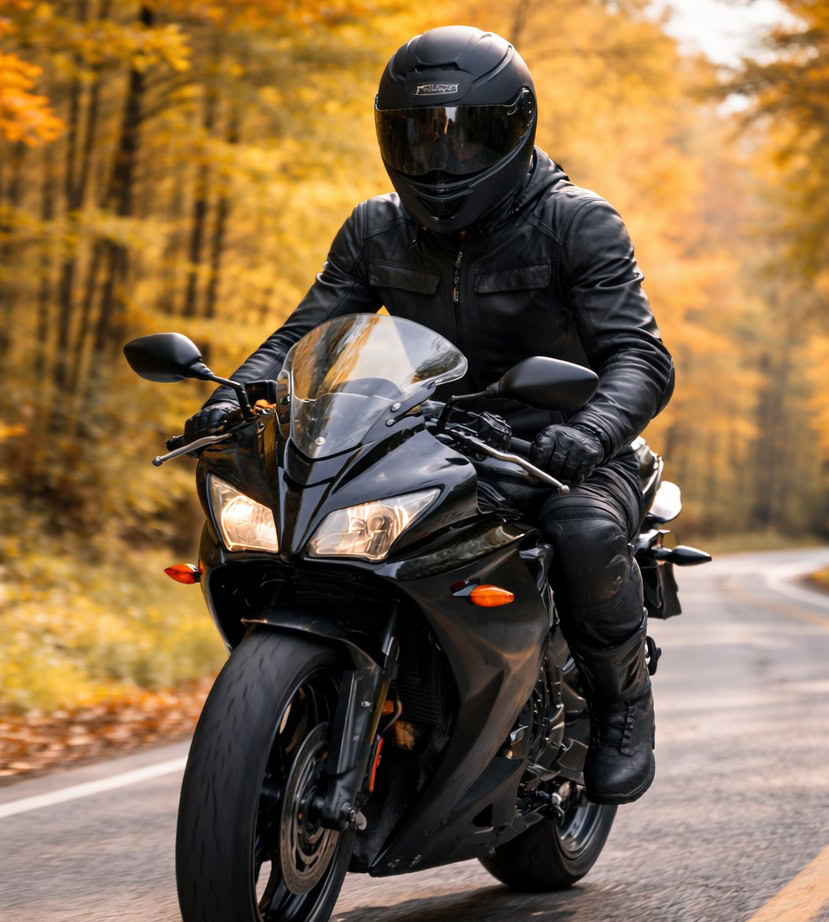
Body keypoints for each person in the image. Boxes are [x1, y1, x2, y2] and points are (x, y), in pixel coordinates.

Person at [182, 25, 674, 804]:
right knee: (294, 531)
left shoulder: (577, 223)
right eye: (418, 138)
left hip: (558, 442)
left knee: (583, 532)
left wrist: (586, 435)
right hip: (416, 437)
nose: (441, 163)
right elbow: (303, 333)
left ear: (517, 128)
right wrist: (234, 394)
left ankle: (621, 709)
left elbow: (642, 359)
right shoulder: (376, 228)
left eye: (467, 138)